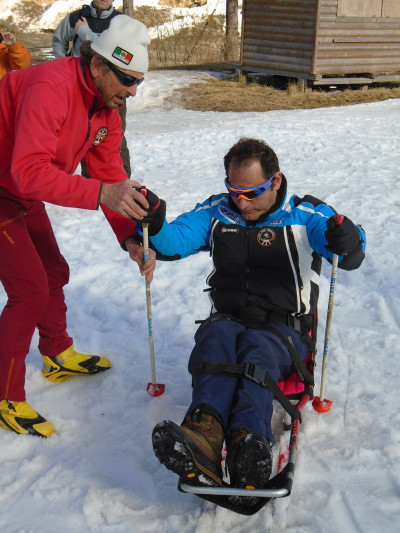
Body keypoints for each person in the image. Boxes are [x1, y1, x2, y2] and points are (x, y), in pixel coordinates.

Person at [138, 138, 366, 500]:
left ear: (275, 182)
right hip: (228, 319)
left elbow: (351, 252)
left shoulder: (305, 215)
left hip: (284, 328)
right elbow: (172, 241)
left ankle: (249, 438)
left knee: (255, 349)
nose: (241, 201)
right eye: (234, 190)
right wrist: (155, 221)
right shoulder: (218, 212)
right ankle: (204, 433)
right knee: (214, 341)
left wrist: (347, 238)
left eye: (252, 192)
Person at [0, 15, 158, 438]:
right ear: (99, 65)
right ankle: (5, 395)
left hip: (16, 187)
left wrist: (129, 237)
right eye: (127, 79)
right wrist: (97, 193)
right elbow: (27, 172)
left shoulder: (107, 107)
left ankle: (56, 353)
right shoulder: (50, 88)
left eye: (138, 81)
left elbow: (109, 173)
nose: (133, 91)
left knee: (53, 273)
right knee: (29, 289)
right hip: (5, 185)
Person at [52, 1, 131, 178]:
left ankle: (121, 183)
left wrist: (86, 33)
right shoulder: (75, 17)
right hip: (79, 90)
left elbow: (122, 54)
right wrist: (64, 65)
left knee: (112, 136)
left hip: (112, 89)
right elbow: (58, 40)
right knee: (81, 134)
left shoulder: (122, 21)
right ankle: (93, 186)